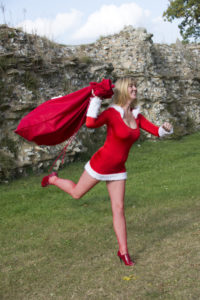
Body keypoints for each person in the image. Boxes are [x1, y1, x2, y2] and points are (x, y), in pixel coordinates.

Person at [41, 77, 173, 266]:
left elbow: (156, 131)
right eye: (131, 86)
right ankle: (53, 179)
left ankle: (124, 252)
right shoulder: (112, 113)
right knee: (77, 193)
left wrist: (165, 128)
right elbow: (90, 123)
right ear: (122, 90)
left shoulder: (137, 115)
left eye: (135, 85)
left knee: (119, 209)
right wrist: (96, 99)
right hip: (100, 164)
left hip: (118, 169)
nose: (135, 88)